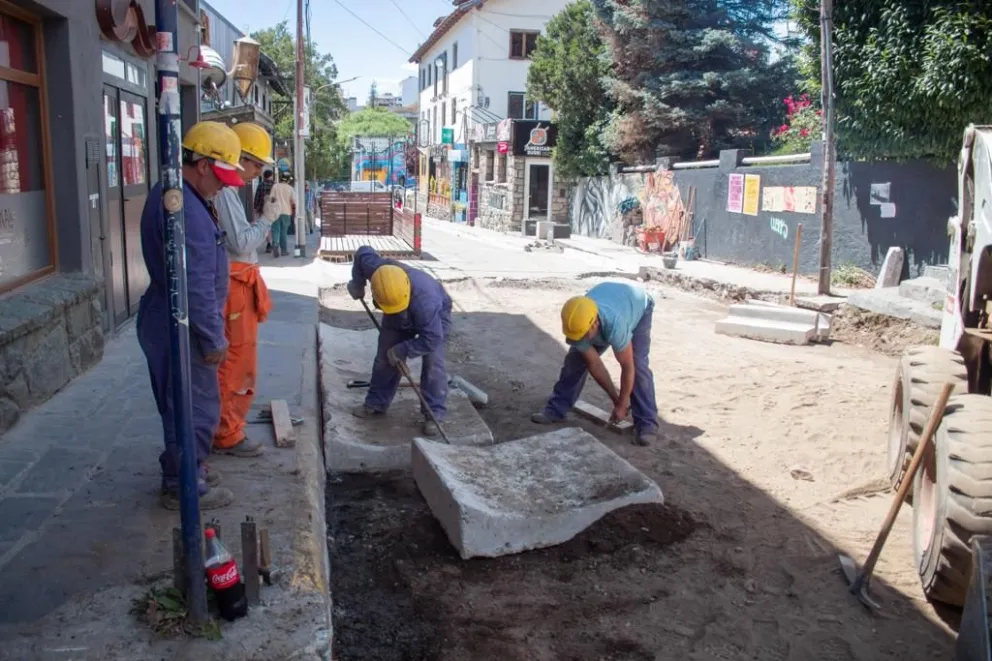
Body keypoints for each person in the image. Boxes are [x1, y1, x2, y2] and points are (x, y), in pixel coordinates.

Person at [137, 121, 246, 510]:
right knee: (193, 405)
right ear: (201, 164)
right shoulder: (186, 209)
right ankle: (184, 486)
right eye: (219, 176)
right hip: (182, 323)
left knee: (179, 401)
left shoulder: (180, 197)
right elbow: (195, 283)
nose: (222, 186)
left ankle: (187, 468)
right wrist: (214, 337)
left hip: (169, 317)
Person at [212, 122, 279, 459]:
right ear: (240, 157)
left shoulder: (230, 191)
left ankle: (229, 424)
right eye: (255, 165)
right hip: (233, 284)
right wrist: (267, 220)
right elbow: (240, 243)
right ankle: (227, 433)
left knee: (240, 359)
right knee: (234, 362)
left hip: (239, 281)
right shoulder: (224, 193)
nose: (257, 173)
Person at [531, 281, 660, 446]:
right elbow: (595, 365)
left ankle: (646, 423)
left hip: (638, 306)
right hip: (608, 298)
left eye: (584, 335)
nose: (581, 340)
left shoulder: (615, 326)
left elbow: (627, 367)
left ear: (595, 325)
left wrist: (622, 403)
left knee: (638, 365)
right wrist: (617, 400)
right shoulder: (577, 323)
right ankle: (556, 408)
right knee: (575, 361)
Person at [346, 246, 452, 436]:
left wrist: (403, 350)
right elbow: (362, 252)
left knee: (433, 362)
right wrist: (358, 283)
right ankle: (376, 403)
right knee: (385, 357)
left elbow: (432, 339)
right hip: (394, 312)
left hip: (434, 314)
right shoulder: (376, 269)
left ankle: (434, 413)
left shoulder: (426, 303)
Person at [267, 173, 295, 257]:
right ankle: (284, 251)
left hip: (275, 211)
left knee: (275, 229)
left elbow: (271, 199)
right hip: (286, 212)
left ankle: (275, 244)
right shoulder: (290, 188)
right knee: (283, 232)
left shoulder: (275, 186)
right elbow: (293, 202)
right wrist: (294, 211)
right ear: (288, 180)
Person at [254, 170, 275, 253]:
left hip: (263, 209)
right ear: (270, 176)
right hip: (273, 209)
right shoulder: (274, 185)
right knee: (273, 226)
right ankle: (275, 242)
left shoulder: (261, 184)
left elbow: (257, 196)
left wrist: (255, 207)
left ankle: (269, 242)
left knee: (266, 226)